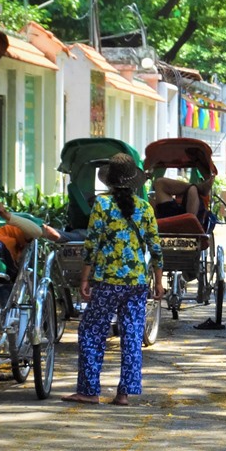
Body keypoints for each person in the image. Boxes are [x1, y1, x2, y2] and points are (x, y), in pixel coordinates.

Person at [63, 153, 164, 406]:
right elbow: (156, 248)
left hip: (107, 281)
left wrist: (84, 278)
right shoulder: (145, 208)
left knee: (92, 331)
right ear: (134, 182)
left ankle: (89, 390)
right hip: (137, 283)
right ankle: (124, 394)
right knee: (131, 334)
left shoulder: (103, 205)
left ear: (110, 182)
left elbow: (92, 245)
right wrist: (159, 281)